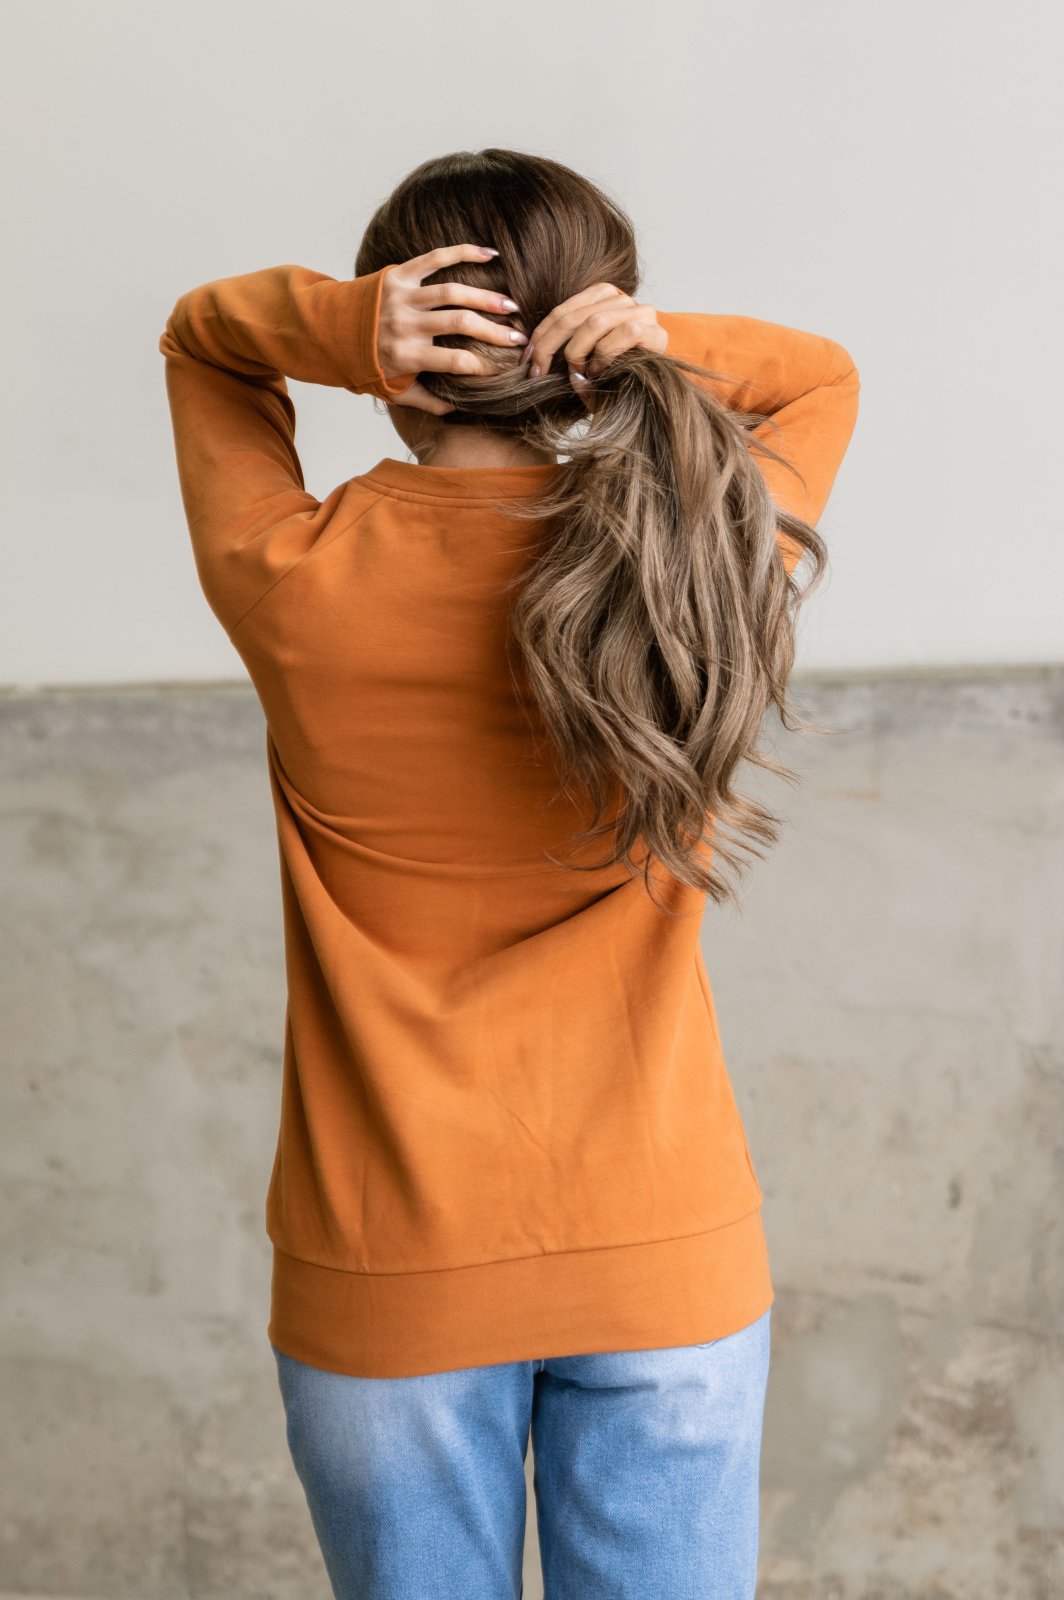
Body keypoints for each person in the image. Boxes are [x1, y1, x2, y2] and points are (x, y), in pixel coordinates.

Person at [159, 146, 859, 1600]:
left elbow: (204, 342)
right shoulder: (690, 554)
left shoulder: (297, 579)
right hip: (663, 1257)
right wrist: (645, 350)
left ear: (400, 361)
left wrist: (341, 331)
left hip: (391, 1272)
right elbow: (819, 379)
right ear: (590, 336)